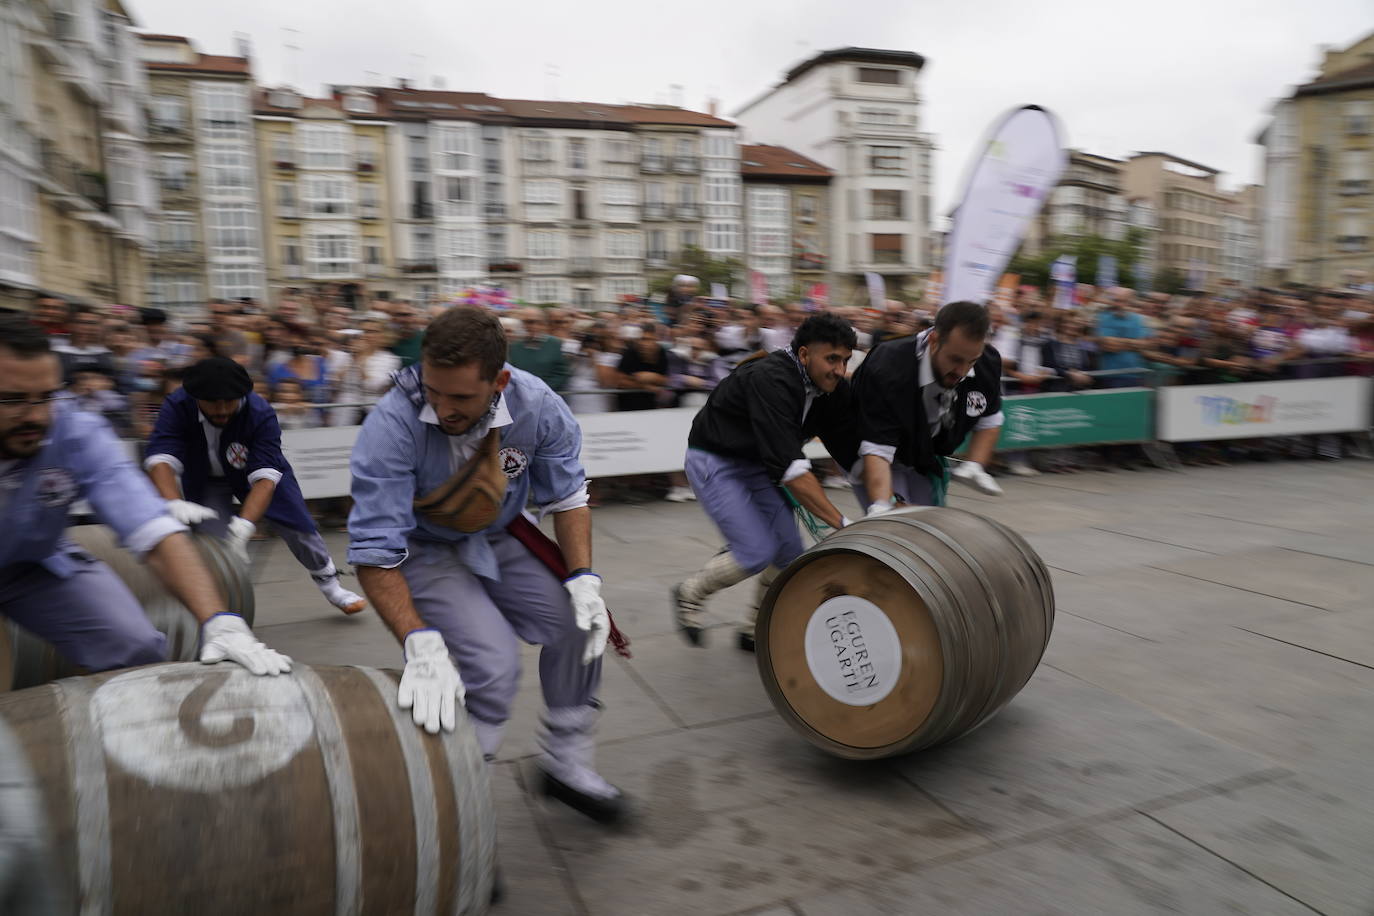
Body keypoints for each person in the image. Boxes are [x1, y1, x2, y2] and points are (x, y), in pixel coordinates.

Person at [348, 306, 626, 822]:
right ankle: (460, 815)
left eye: (460, 397)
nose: (441, 408)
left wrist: (585, 580)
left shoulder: (537, 403)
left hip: (497, 533)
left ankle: (566, 766)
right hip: (425, 547)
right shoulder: (391, 424)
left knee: (579, 626)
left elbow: (567, 498)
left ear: (499, 380)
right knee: (493, 666)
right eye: (433, 390)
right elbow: (373, 548)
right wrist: (417, 640)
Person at [0, 315, 289, 677]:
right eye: (12, 400)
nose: (35, 416)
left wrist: (220, 621)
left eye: (45, 397)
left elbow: (151, 528)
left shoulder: (74, 430)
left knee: (138, 648)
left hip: (34, 563)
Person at [670, 313, 860, 651]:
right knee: (755, 551)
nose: (839, 369)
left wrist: (884, 498)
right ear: (804, 354)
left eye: (845, 360)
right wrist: (843, 525)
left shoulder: (833, 388)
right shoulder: (771, 378)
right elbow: (790, 467)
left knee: (789, 553)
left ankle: (753, 629)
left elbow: (850, 446)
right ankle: (689, 593)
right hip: (715, 461)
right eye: (832, 358)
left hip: (758, 464)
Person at [144, 357, 367, 615]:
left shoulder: (260, 412)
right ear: (195, 398)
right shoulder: (176, 406)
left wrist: (246, 525)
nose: (222, 410)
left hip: (258, 473)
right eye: (213, 403)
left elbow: (264, 479)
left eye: (229, 401)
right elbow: (160, 458)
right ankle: (221, 603)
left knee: (299, 527)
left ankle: (330, 584)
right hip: (205, 478)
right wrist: (174, 503)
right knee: (213, 543)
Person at [849, 301, 1006, 511]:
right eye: (955, 359)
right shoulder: (887, 366)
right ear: (933, 340)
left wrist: (974, 465)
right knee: (898, 524)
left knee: (930, 521)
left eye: (971, 361)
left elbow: (990, 420)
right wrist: (882, 505)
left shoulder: (988, 361)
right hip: (871, 448)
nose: (962, 371)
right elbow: (876, 448)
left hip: (922, 453)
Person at [508, 308, 571, 393]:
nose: (528, 326)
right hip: (520, 395)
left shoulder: (555, 344)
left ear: (542, 324)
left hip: (548, 396)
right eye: (524, 322)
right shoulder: (515, 346)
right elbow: (511, 372)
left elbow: (562, 373)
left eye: (532, 322)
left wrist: (542, 389)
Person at [615, 322, 669, 411]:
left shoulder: (661, 353)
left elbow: (666, 379)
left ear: (656, 340)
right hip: (627, 406)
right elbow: (620, 381)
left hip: (650, 407)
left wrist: (653, 377)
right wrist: (646, 387)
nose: (645, 343)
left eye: (649, 339)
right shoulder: (630, 352)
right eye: (643, 339)